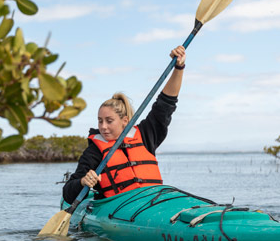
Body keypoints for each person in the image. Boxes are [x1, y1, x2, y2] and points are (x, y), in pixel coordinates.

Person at [62, 45, 187, 204]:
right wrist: (83, 182)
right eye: (100, 121)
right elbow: (67, 193)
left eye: (109, 121)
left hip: (155, 204)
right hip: (120, 210)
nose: (103, 127)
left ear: (125, 121)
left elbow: (166, 103)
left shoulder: (146, 135)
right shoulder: (94, 152)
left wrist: (179, 67)